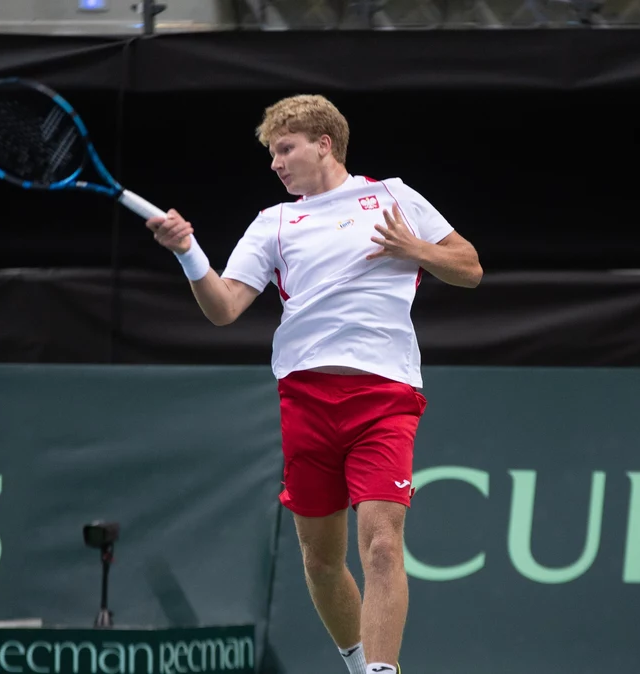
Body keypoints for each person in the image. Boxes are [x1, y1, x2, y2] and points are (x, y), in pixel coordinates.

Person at [145, 94, 482, 674]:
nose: (275, 164)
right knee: (320, 560)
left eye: (284, 149)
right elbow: (224, 308)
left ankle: (382, 670)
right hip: (305, 399)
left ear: (323, 143)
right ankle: (356, 664)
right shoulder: (272, 223)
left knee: (380, 544)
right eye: (272, 154)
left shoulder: (393, 196)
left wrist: (415, 249)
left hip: (385, 396)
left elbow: (470, 267)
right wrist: (188, 253)